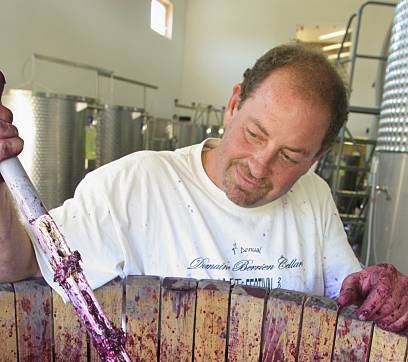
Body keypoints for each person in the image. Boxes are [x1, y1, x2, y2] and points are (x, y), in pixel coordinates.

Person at [0, 44, 407, 331]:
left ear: (317, 157)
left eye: (290, 157)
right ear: (233, 105)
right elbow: (20, 268)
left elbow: (355, 310)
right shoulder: (136, 186)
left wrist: (385, 296)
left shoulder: (313, 197)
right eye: (254, 133)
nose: (258, 165)